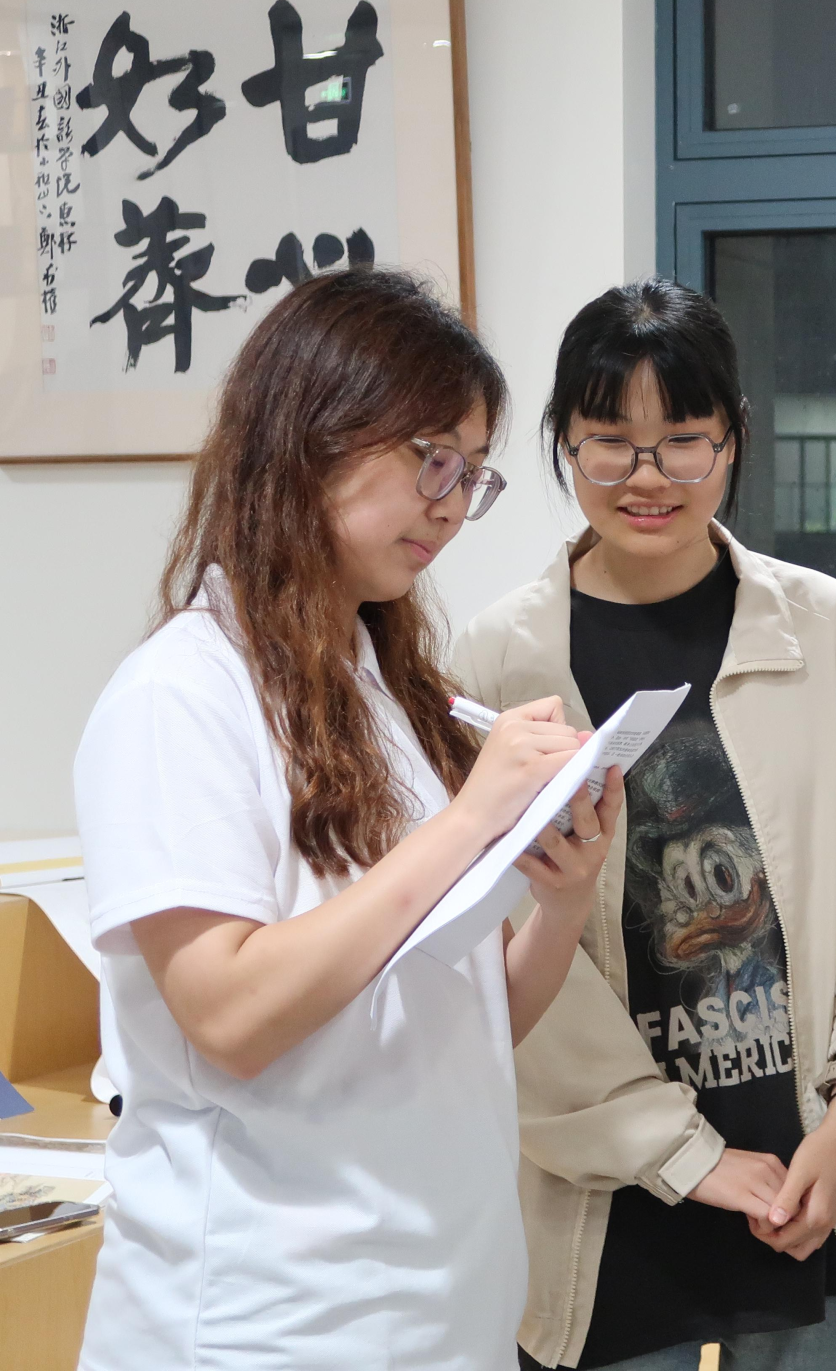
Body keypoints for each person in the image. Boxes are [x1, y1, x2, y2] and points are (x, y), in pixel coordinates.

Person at [74, 269, 620, 1371]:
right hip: (268, 1323)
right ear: (312, 435)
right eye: (432, 459)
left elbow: (465, 1023)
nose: (451, 504)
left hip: (440, 1310)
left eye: (473, 473)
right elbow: (230, 1015)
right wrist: (469, 821)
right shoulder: (180, 694)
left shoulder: (385, 687)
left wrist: (561, 902)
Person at [452, 279, 836, 1371]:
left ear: (733, 439)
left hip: (822, 1171)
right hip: (607, 1194)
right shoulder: (495, 660)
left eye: (684, 440)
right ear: (562, 444)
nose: (648, 478)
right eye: (609, 443)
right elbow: (495, 948)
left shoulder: (825, 625)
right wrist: (680, 1153)